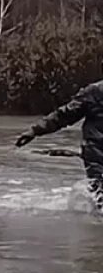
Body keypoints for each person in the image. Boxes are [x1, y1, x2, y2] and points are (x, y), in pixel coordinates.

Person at [16, 78, 103, 210]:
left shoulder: (94, 91)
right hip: (97, 155)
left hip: (95, 152)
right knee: (99, 197)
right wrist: (35, 131)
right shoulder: (95, 92)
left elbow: (63, 115)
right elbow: (64, 115)